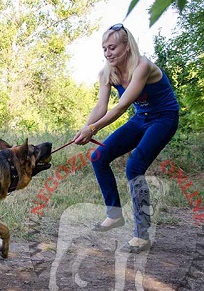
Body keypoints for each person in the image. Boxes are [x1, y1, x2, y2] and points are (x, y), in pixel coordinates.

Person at [73, 23, 179, 253]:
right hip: (141, 118)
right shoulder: (106, 73)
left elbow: (122, 106)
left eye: (112, 47)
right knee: (98, 157)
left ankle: (142, 235)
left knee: (134, 167)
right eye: (104, 49)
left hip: (164, 118)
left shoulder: (142, 67)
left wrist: (93, 130)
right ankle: (114, 215)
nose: (107, 53)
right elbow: (102, 105)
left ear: (127, 46)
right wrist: (86, 127)